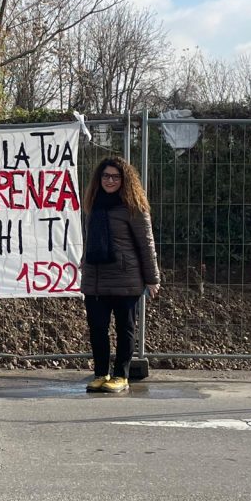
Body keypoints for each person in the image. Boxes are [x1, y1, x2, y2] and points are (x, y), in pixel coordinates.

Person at [80, 156, 161, 394]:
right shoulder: (92, 204)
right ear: (99, 178)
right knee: (97, 328)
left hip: (126, 279)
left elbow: (146, 244)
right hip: (95, 278)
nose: (110, 180)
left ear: (125, 180)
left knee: (125, 329)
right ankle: (100, 373)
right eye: (106, 176)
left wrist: (152, 278)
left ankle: (120, 375)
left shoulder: (134, 206)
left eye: (116, 176)